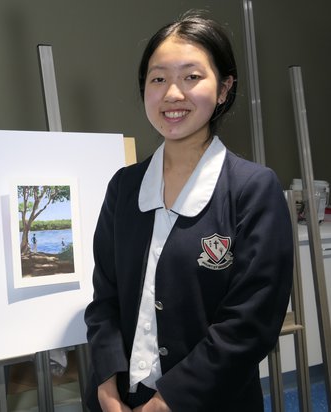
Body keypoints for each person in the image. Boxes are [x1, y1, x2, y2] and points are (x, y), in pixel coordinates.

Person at [84, 11, 293, 412]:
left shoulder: (253, 189)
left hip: (208, 401)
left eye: (192, 77)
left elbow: (250, 323)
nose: (173, 94)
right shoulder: (124, 187)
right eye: (158, 79)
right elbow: (104, 299)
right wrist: (107, 385)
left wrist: (166, 402)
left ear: (224, 88)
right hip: (118, 400)